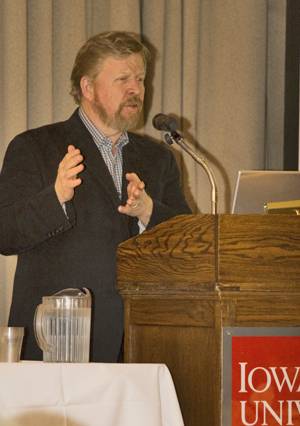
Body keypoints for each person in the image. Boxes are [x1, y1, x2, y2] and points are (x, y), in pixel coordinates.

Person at [0, 31, 191, 362]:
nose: (136, 89)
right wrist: (56, 196)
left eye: (141, 79)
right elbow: (5, 233)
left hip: (142, 342)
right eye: (122, 79)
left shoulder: (159, 158)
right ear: (88, 88)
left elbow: (188, 241)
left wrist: (148, 211)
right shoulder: (34, 147)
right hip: (59, 343)